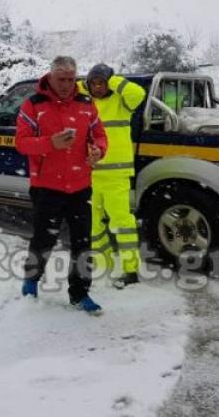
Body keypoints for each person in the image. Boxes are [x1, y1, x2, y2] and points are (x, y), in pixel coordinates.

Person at [15, 56, 108, 313]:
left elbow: (99, 135)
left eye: (71, 79)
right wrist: (49, 143)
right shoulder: (33, 104)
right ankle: (31, 281)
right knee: (43, 240)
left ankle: (80, 293)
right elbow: (21, 142)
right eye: (61, 79)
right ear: (50, 77)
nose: (67, 84)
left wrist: (98, 151)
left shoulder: (86, 104)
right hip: (47, 187)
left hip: (80, 186)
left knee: (83, 244)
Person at [78, 63, 147, 289]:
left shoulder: (121, 102)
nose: (97, 87)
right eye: (93, 83)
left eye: (102, 83)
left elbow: (137, 93)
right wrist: (86, 84)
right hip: (91, 173)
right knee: (93, 225)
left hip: (116, 174)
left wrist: (112, 79)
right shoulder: (87, 103)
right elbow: (69, 89)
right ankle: (103, 264)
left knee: (122, 223)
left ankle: (130, 269)